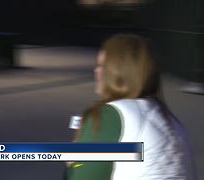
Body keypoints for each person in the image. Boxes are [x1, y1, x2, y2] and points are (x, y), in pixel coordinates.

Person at [66, 34, 196, 180]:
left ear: (118, 72)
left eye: (103, 66)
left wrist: (74, 161)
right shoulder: (173, 121)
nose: (96, 71)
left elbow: (82, 176)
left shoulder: (109, 116)